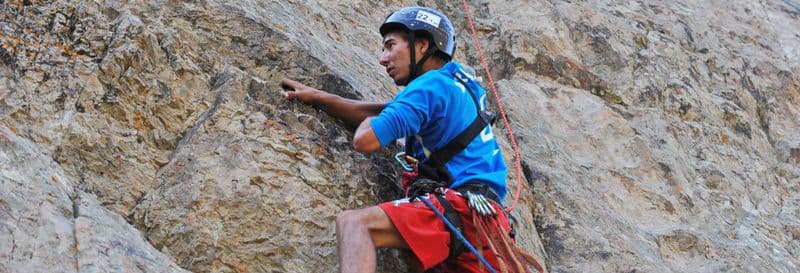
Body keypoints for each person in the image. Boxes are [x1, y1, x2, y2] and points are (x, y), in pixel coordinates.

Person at [280, 6, 534, 273]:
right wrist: (319, 98)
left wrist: (375, 124)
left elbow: (365, 139)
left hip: (460, 211)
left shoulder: (427, 87)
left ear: (422, 45)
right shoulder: (455, 84)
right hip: (484, 226)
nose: (382, 58)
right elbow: (385, 111)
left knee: (354, 224)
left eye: (391, 46)